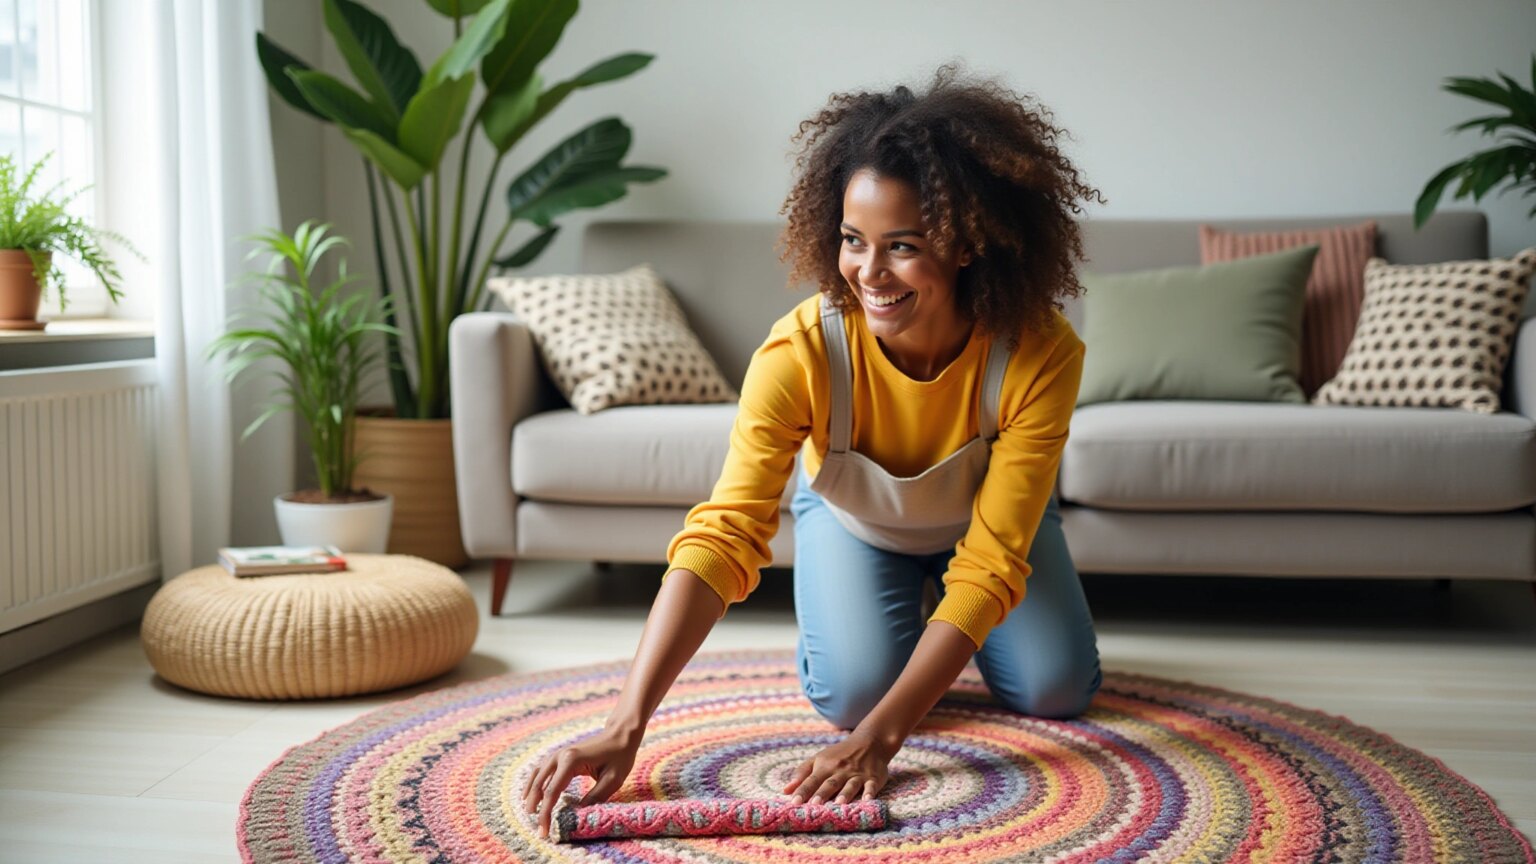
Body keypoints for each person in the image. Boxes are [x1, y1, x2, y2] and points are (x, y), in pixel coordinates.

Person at [522, 64, 1107, 838]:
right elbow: (725, 533)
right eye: (853, 241)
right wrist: (627, 722)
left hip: (990, 534)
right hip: (855, 525)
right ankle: (902, 624)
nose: (869, 272)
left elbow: (994, 560)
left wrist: (886, 739)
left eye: (902, 245)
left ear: (967, 244)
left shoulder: (1040, 352)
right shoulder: (799, 353)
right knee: (854, 695)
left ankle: (939, 624)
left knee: (1057, 689)